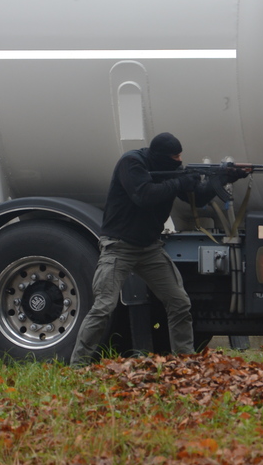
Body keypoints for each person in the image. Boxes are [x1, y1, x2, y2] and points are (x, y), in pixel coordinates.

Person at [69, 132, 227, 366]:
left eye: (180, 156)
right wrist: (180, 182)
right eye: (175, 157)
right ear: (161, 156)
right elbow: (144, 195)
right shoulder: (131, 163)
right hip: (119, 246)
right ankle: (78, 365)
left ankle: (185, 362)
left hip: (149, 248)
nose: (179, 161)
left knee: (179, 302)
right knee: (104, 306)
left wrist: (221, 179)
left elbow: (199, 198)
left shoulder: (171, 170)